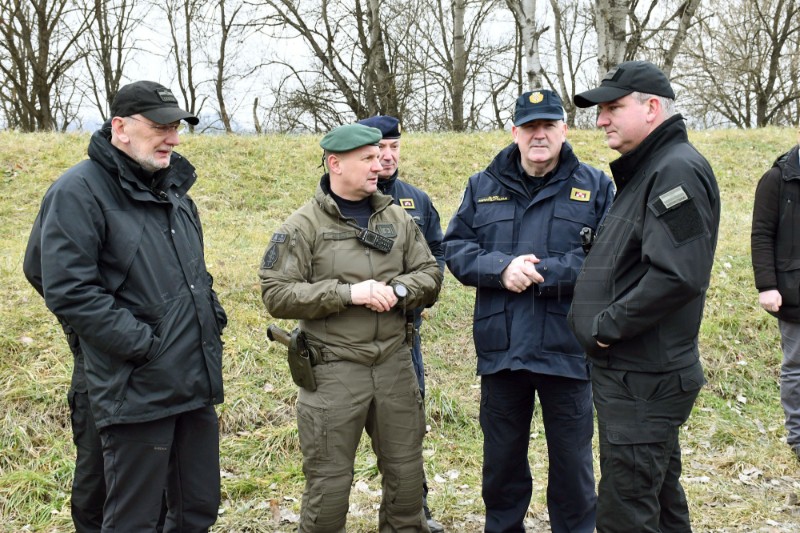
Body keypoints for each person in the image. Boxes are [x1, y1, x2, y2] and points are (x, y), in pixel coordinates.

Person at [23, 80, 227, 530]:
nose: (173, 138)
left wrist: (210, 318)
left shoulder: (172, 190)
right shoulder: (79, 191)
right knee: (131, 519)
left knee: (197, 510)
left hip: (192, 381)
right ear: (121, 127)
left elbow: (192, 275)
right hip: (134, 388)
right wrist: (141, 344)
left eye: (176, 127)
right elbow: (64, 286)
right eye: (161, 127)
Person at [443, 89, 614, 533]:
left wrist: (545, 274)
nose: (540, 135)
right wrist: (501, 269)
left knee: (574, 470)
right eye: (530, 127)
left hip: (567, 350)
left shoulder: (596, 186)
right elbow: (456, 249)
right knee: (501, 469)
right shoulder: (483, 186)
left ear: (564, 129)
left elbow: (611, 258)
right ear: (515, 132)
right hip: (503, 351)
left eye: (549, 125)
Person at [259, 123, 442, 532]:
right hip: (333, 372)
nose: (379, 165)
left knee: (407, 480)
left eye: (379, 156)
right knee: (328, 487)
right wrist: (348, 294)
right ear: (335, 163)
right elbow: (277, 294)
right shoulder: (302, 226)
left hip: (395, 365)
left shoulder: (395, 216)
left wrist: (399, 288)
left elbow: (430, 273)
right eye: (367, 159)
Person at [568, 60, 720, 532]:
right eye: (600, 110)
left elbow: (678, 274)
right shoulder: (650, 169)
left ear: (652, 107)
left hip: (643, 377)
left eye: (613, 108)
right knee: (659, 500)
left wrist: (608, 326)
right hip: (636, 377)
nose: (601, 120)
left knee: (627, 513)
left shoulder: (675, 171)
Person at [356, 115, 446, 533]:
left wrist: (422, 297)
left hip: (405, 336)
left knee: (407, 431)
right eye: (378, 149)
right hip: (350, 340)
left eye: (393, 147)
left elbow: (438, 257)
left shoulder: (417, 201)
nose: (386, 157)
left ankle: (414, 512)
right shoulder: (341, 201)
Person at [751, 130, 800, 461]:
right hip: (794, 292)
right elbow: (761, 233)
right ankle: (798, 439)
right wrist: (766, 285)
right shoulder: (777, 179)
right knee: (796, 367)